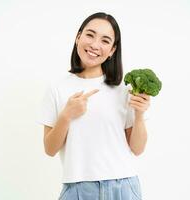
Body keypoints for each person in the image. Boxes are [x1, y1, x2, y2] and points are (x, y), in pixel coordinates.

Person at [37, 12, 151, 200]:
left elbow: (137, 149)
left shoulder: (125, 89)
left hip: (122, 187)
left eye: (105, 41)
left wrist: (139, 114)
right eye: (90, 35)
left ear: (112, 50)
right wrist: (66, 115)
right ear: (78, 37)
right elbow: (49, 149)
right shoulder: (57, 88)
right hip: (78, 190)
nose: (95, 45)